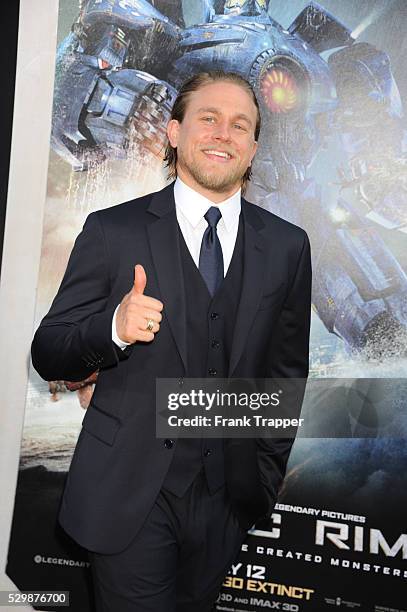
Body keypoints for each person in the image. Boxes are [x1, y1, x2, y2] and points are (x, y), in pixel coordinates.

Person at [31, 70, 312, 612]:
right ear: (174, 132)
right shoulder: (113, 230)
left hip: (227, 500)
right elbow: (50, 350)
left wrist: (263, 477)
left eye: (240, 125)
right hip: (129, 494)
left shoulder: (287, 246)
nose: (222, 133)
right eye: (208, 118)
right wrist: (111, 327)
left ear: (253, 147)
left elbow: (285, 375)